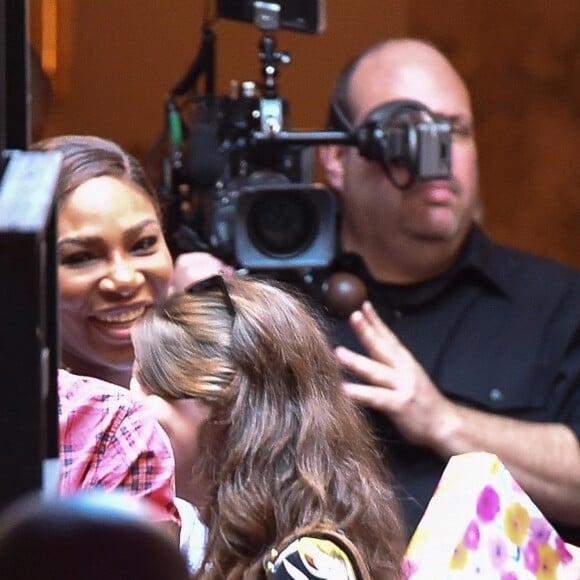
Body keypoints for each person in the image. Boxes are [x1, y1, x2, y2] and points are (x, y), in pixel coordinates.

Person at [310, 38, 580, 544]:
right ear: (336, 158)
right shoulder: (274, 302)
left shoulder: (559, 303)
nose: (438, 157)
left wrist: (444, 421)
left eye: (454, 130)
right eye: (406, 130)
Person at [130, 274, 406, 578]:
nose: (127, 409)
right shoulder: (206, 538)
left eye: (144, 385)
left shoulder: (307, 565)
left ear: (223, 407)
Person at [28, 135, 215, 545]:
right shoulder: (33, 429)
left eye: (143, 245)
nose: (125, 279)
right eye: (81, 257)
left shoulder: (230, 397)